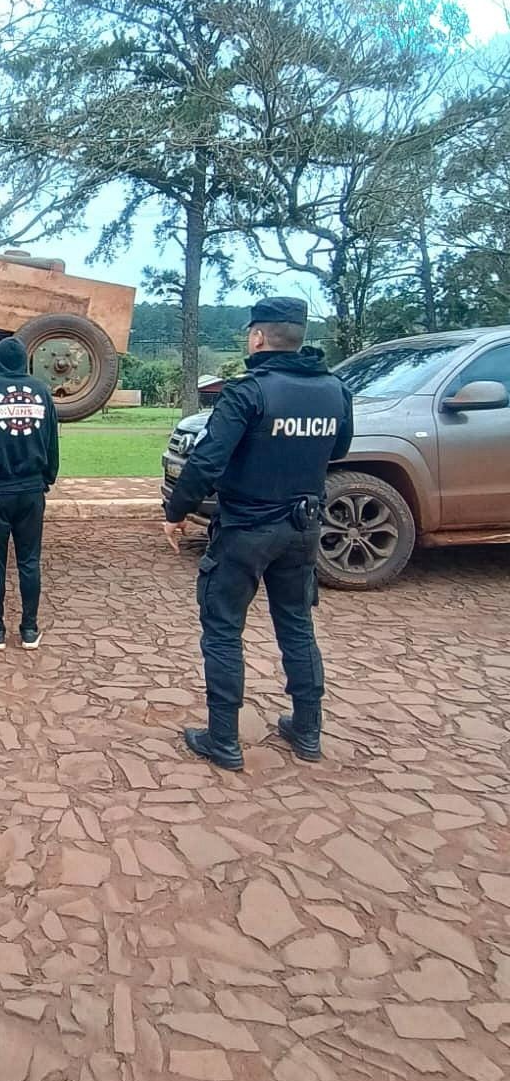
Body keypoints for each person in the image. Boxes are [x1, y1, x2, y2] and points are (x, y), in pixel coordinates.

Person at [163, 297, 353, 770]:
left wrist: (177, 510)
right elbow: (341, 447)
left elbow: (207, 460)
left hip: (247, 528)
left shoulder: (248, 392)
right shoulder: (335, 389)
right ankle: (307, 731)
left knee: (224, 629)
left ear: (257, 337)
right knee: (297, 626)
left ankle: (223, 738)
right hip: (303, 526)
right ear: (300, 336)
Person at [0, 336, 60, 651]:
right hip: (31, 489)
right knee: (30, 561)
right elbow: (52, 441)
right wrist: (48, 477)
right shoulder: (42, 391)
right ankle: (30, 630)